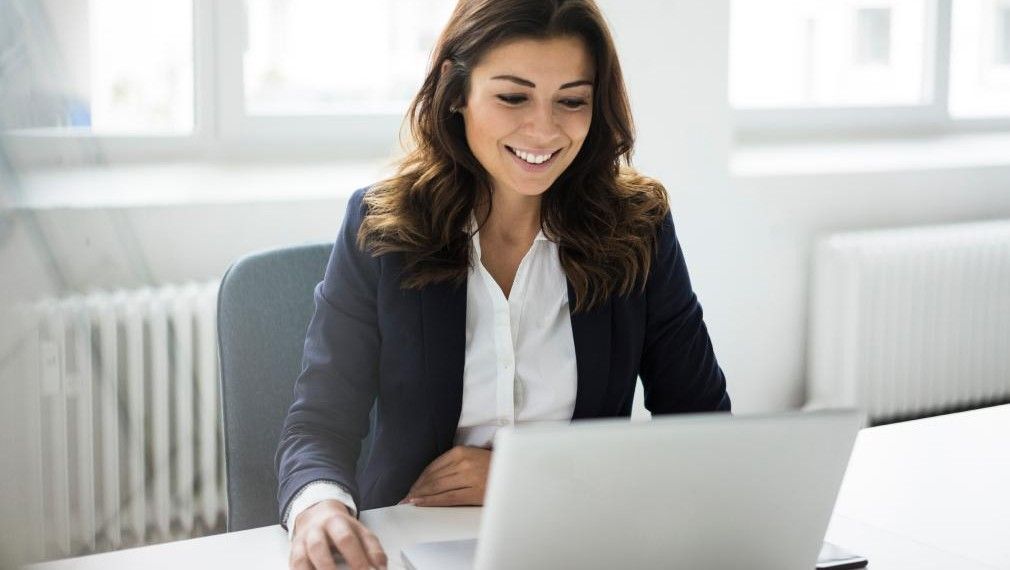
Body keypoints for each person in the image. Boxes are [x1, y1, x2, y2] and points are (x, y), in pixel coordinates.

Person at [276, 1, 731, 568]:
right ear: (455, 89)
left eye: (572, 100)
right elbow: (318, 424)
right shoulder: (382, 227)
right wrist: (319, 509)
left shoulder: (638, 230)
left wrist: (531, 476)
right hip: (411, 542)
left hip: (579, 539)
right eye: (512, 96)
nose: (544, 128)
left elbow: (705, 432)